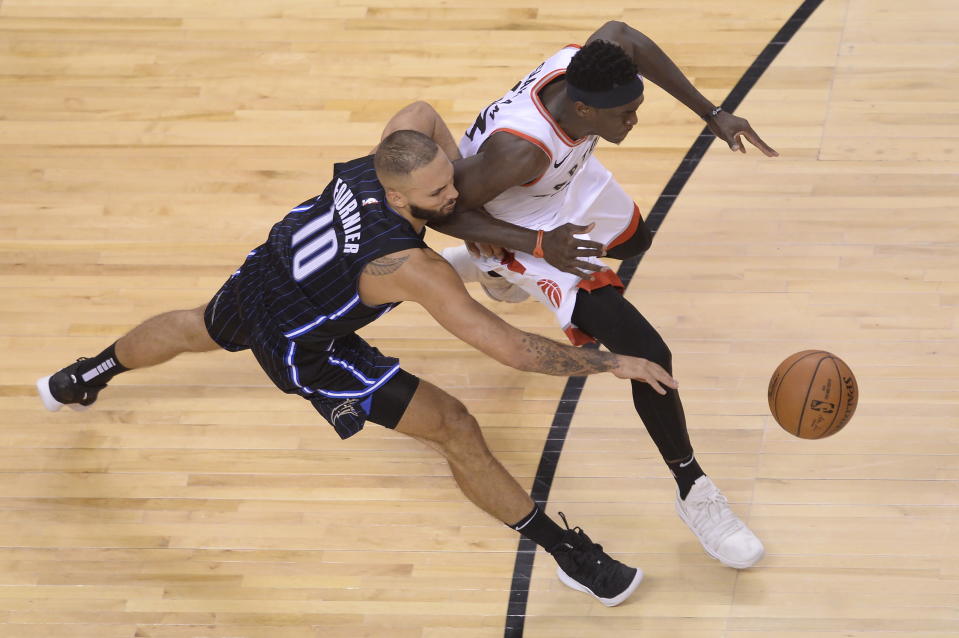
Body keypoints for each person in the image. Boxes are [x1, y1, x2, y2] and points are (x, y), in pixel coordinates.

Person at [35, 103, 677, 607]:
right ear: (397, 200)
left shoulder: (387, 160)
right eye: (436, 197)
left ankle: (86, 375)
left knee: (193, 325)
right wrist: (614, 363)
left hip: (270, 272)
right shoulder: (411, 266)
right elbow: (510, 347)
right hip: (305, 345)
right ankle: (565, 551)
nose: (454, 199)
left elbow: (420, 111)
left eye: (450, 181)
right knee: (455, 426)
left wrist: (453, 178)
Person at [433, 21, 780, 570]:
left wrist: (712, 114)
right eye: (624, 115)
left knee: (637, 240)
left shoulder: (587, 67)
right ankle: (694, 490)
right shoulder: (518, 154)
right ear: (584, 112)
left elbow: (627, 35)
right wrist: (539, 244)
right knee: (648, 352)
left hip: (567, 182)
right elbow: (445, 211)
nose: (634, 120)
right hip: (523, 224)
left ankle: (492, 277)